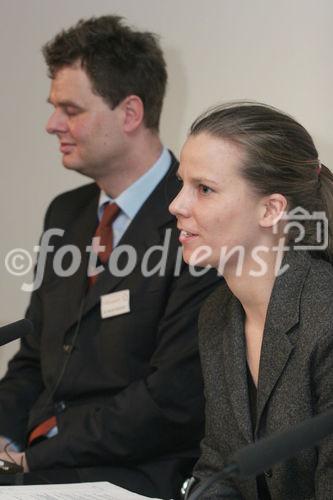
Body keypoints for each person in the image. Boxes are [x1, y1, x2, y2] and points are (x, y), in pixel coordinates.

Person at [0, 16, 219, 497]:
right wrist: (5, 436)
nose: (52, 124)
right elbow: (35, 356)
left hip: (133, 476)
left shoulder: (200, 214)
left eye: (70, 109)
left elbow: (173, 400)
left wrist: (31, 457)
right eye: (54, 108)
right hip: (37, 469)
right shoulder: (66, 213)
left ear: (130, 113)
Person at [169, 102, 333, 499]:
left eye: (203, 189)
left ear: (271, 209)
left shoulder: (325, 316)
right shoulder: (217, 313)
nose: (176, 205)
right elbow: (220, 467)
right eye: (182, 184)